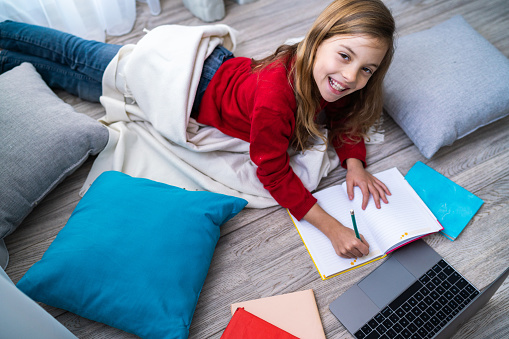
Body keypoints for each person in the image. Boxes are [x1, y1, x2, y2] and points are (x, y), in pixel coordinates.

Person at [0, 0, 395, 259]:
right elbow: (270, 170)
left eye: (366, 69)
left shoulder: (334, 82)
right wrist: (331, 227)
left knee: (70, 79)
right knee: (78, 55)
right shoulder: (278, 95)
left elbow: (345, 115)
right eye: (344, 56)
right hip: (185, 79)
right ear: (317, 41)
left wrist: (355, 163)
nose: (349, 76)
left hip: (218, 76)